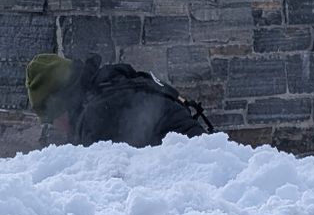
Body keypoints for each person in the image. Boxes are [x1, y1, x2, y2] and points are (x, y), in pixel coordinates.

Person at [26, 53, 212, 147]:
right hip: (205, 160)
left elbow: (111, 189)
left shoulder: (97, 116)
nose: (56, 127)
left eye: (52, 119)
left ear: (62, 105)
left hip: (193, 181)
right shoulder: (112, 85)